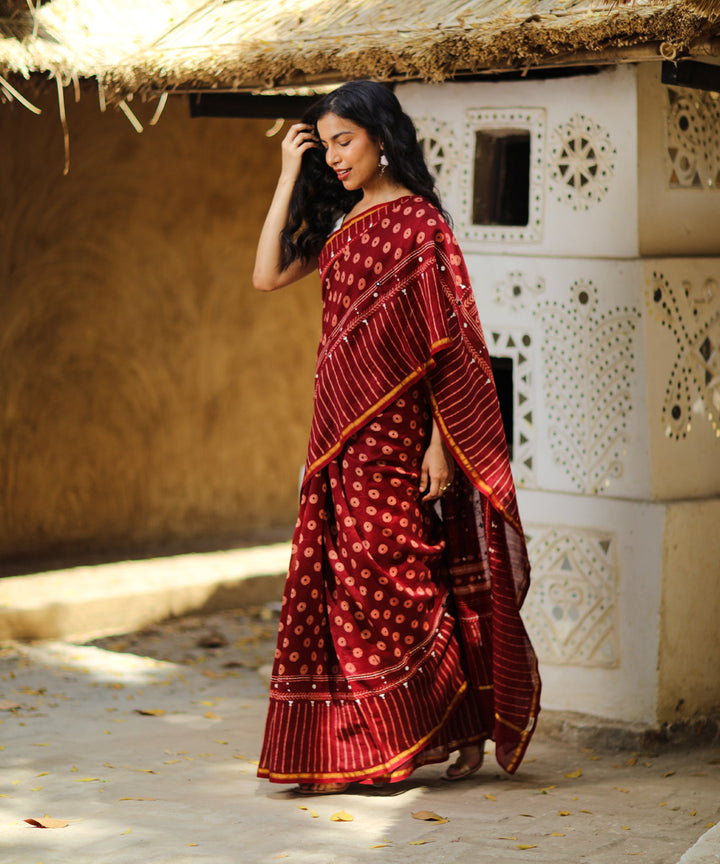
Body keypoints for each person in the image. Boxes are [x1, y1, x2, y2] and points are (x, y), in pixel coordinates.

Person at [253, 80, 540, 794]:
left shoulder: (421, 224)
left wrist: (440, 443)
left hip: (399, 432)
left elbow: (450, 345)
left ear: (381, 138)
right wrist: (289, 174)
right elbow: (265, 275)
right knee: (344, 585)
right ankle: (363, 745)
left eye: (344, 140)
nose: (334, 156)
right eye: (324, 146)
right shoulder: (337, 221)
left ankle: (449, 722)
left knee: (400, 579)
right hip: (335, 434)